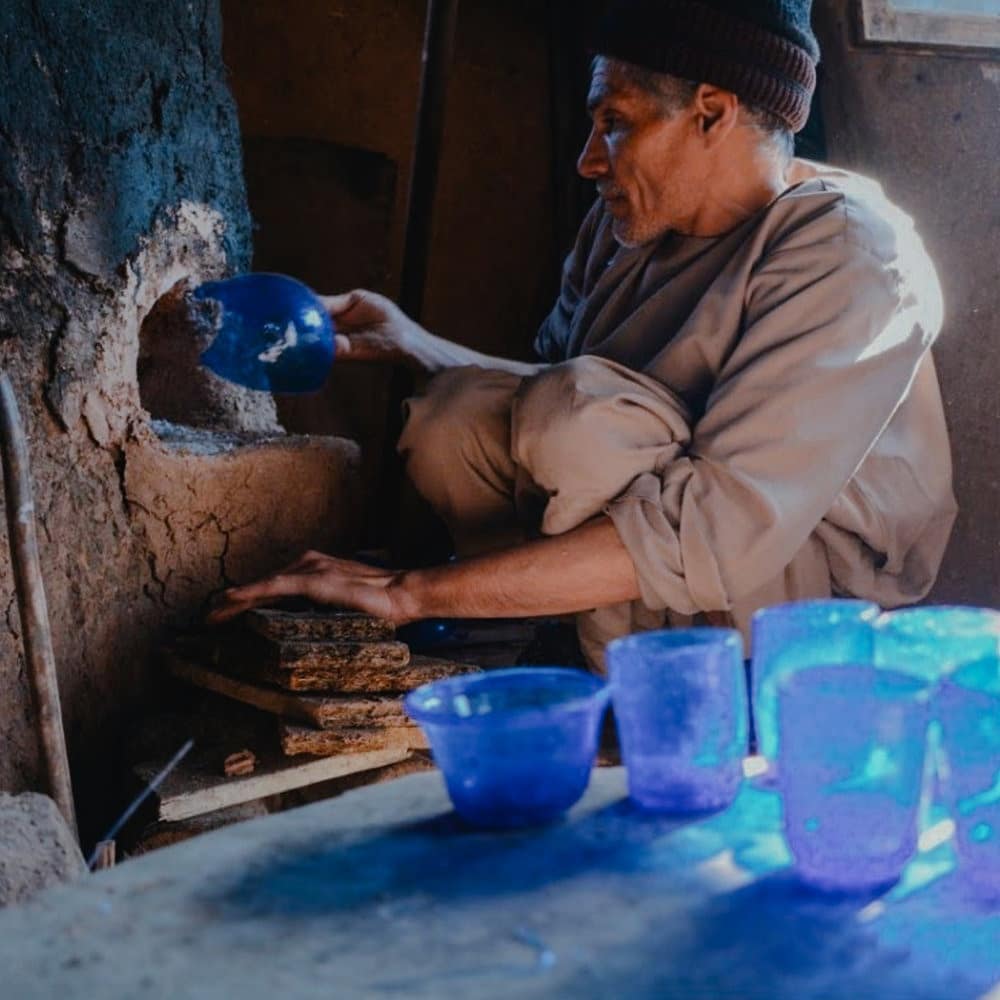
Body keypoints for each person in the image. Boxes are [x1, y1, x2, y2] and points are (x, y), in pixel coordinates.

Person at [209, 0, 956, 669]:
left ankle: (648, 691)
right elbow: (549, 392)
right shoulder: (627, 224)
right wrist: (416, 344)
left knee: (573, 427)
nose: (588, 159)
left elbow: (717, 520)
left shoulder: (852, 253)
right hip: (679, 539)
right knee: (457, 416)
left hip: (803, 594)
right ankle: (553, 642)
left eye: (617, 123)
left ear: (712, 113)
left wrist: (410, 593)